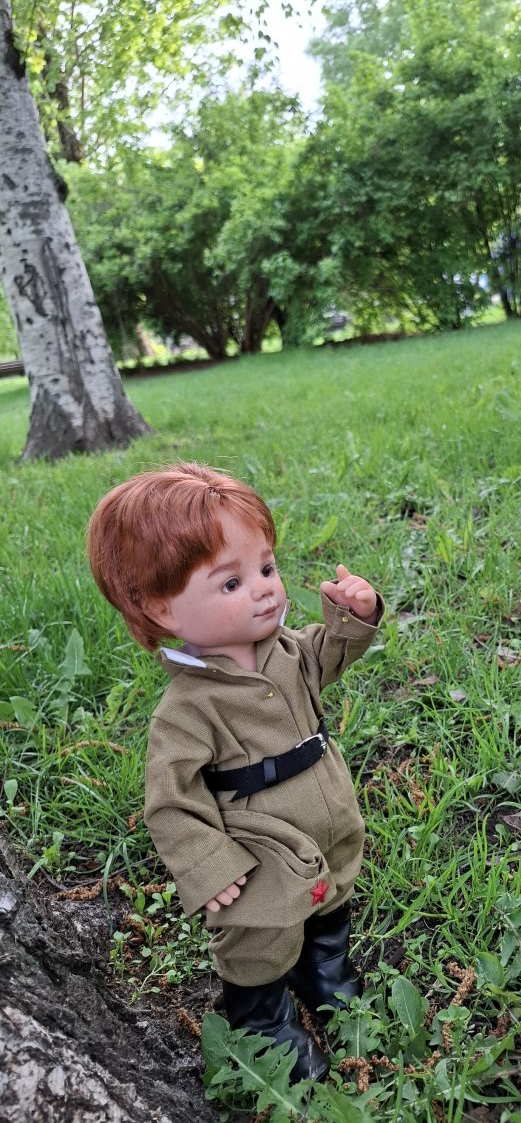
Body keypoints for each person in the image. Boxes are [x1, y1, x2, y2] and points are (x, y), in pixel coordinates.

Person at [86, 462, 383, 1082]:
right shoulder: (187, 710)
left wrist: (353, 615)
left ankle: (324, 972)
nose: (265, 590)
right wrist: (208, 864)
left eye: (267, 569)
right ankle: (263, 1022)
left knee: (333, 898)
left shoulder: (288, 651)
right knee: (259, 934)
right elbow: (172, 801)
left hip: (328, 820)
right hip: (259, 848)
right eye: (231, 583)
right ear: (162, 608)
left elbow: (327, 655)